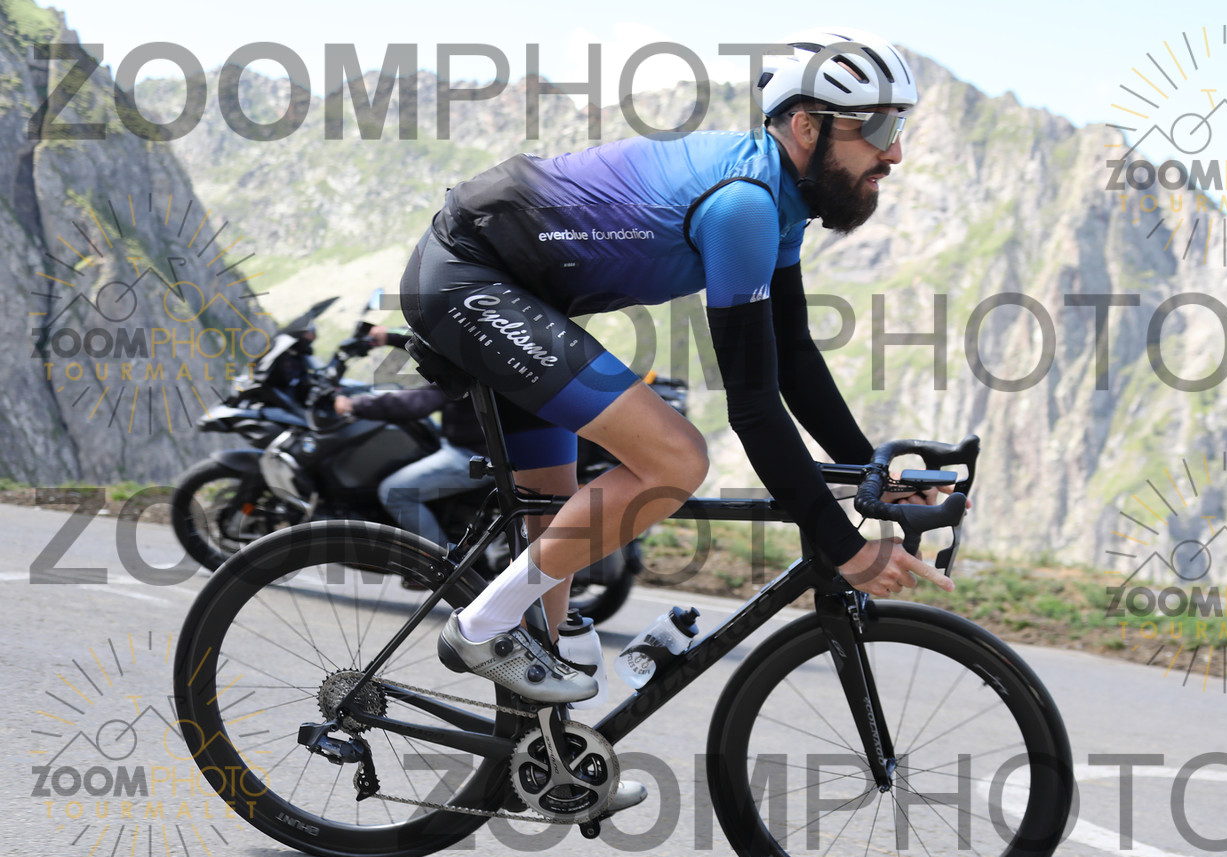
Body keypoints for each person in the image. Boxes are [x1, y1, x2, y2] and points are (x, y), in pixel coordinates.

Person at [402, 28, 956, 811]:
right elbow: (754, 408)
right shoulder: (744, 206)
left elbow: (793, 360)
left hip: (521, 291)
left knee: (557, 526)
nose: (893, 152)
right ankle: (480, 626)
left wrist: (873, 473)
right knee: (675, 459)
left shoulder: (780, 204)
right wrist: (846, 548)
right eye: (878, 128)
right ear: (807, 126)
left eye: (898, 127)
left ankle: (550, 762)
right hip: (469, 277)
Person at [332, 326, 490, 548]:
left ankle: (445, 559)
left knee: (394, 493)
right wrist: (389, 337)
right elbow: (433, 346)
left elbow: (416, 404)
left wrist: (354, 405)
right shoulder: (476, 344)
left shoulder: (461, 362)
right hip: (473, 440)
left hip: (473, 453)